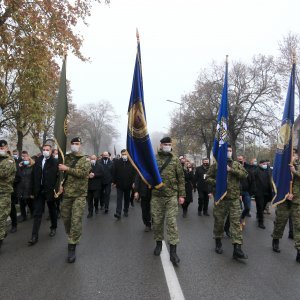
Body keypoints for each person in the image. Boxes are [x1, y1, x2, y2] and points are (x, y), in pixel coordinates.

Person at [206, 144, 248, 260]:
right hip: (221, 199)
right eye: (227, 150)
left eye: (230, 150)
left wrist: (231, 170)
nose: (228, 152)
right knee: (219, 221)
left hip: (234, 199)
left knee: (235, 223)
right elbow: (208, 177)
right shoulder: (216, 165)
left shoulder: (236, 165)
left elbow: (245, 175)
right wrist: (217, 183)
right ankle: (218, 242)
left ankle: (237, 249)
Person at [151, 137, 185, 265]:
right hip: (157, 196)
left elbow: (181, 178)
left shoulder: (175, 159)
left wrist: (182, 195)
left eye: (169, 144)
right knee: (158, 222)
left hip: (171, 196)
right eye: (165, 144)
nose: (167, 146)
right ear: (160, 145)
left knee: (171, 222)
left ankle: (173, 252)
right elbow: (147, 174)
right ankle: (158, 243)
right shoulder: (153, 158)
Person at [59, 137, 91, 263]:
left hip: (80, 195)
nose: (74, 146)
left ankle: (72, 246)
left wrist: (67, 169)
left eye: (77, 143)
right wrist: (60, 185)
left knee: (76, 219)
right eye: (73, 144)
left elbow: (83, 173)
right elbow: (61, 174)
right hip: (67, 193)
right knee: (66, 218)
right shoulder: (66, 158)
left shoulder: (85, 159)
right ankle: (71, 235)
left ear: (80, 145)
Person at [28, 143, 59, 246]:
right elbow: (33, 176)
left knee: (52, 210)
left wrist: (57, 190)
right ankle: (34, 236)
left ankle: (53, 227)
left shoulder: (55, 162)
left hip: (50, 190)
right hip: (39, 190)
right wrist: (32, 191)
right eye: (44, 149)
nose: (45, 151)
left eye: (47, 149)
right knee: (37, 212)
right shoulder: (38, 161)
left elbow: (58, 178)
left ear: (51, 151)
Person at [272, 151, 300, 263]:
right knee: (280, 222)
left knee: (298, 226)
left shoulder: (297, 167)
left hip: (297, 200)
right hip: (284, 199)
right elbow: (276, 180)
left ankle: (299, 251)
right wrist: (285, 193)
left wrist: (295, 171)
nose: (294, 156)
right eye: (292, 154)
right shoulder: (283, 167)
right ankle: (276, 240)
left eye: (295, 154)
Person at [0, 140, 16, 249]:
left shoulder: (9, 160)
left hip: (4, 192)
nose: (1, 150)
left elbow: (3, 173)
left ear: (6, 148)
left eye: (2, 148)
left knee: (1, 217)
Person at [113, 149, 136, 219]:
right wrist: (114, 182)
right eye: (123, 154)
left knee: (126, 198)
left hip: (128, 184)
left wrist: (134, 182)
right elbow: (114, 172)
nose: (124, 156)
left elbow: (134, 174)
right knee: (119, 199)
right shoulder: (117, 162)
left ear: (128, 155)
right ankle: (118, 212)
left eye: (125, 154)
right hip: (119, 184)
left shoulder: (131, 162)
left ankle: (126, 210)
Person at [253, 160, 273, 229]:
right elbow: (253, 180)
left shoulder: (268, 170)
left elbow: (271, 179)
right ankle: (260, 222)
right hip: (259, 192)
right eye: (263, 164)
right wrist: (254, 189)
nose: (265, 165)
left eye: (266, 164)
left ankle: (259, 213)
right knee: (260, 206)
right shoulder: (256, 171)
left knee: (263, 206)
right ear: (260, 164)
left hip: (267, 192)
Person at [237, 155, 255, 226]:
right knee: (239, 208)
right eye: (238, 159)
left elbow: (252, 180)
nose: (239, 161)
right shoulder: (235, 168)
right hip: (237, 192)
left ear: (244, 160)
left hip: (246, 192)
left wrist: (251, 192)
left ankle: (242, 217)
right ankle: (239, 222)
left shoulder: (248, 168)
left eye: (241, 159)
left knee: (247, 208)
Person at [16, 151, 34, 222]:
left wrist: (33, 190)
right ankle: (24, 216)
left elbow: (33, 179)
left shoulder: (32, 167)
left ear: (29, 160)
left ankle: (32, 213)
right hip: (21, 188)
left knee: (30, 202)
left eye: (27, 160)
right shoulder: (21, 167)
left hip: (29, 188)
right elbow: (17, 176)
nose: (25, 161)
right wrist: (19, 167)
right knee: (22, 204)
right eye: (24, 160)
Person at [10, 149, 22, 233]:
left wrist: (9, 181)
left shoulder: (12, 162)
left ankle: (14, 225)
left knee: (11, 208)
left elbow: (18, 177)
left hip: (10, 189)